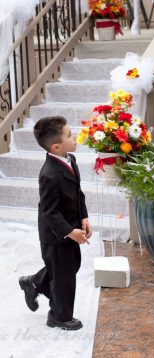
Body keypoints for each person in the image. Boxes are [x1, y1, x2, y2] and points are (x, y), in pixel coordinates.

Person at [18, 116, 92, 331]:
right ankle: (59, 316)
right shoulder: (49, 174)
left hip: (72, 225)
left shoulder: (70, 160)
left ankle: (34, 282)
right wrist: (69, 232)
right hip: (55, 234)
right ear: (56, 146)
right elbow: (49, 211)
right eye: (70, 134)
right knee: (63, 278)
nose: (75, 135)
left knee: (69, 267)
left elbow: (77, 193)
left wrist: (84, 217)